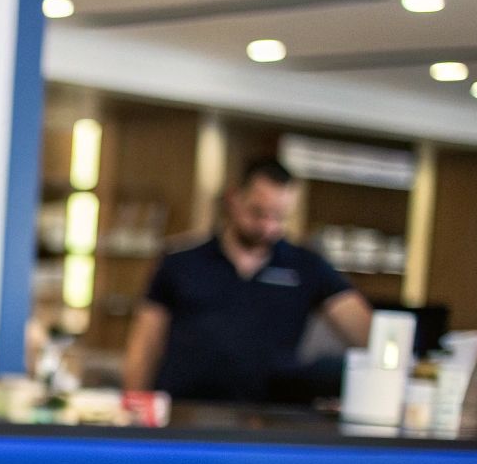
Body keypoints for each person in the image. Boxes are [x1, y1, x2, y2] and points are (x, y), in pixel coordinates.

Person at [123, 158, 372, 401]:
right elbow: (145, 342)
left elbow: (368, 332)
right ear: (234, 198)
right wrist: (134, 405)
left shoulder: (307, 267)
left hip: (268, 418)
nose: (267, 226)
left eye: (279, 217)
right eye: (258, 213)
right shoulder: (181, 262)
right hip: (185, 410)